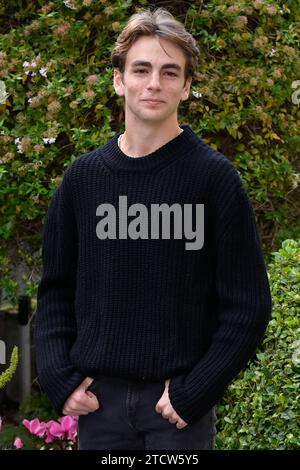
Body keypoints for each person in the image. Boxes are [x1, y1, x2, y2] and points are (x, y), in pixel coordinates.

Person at [34, 7, 272, 450]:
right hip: (98, 407)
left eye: (169, 72)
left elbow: (248, 306)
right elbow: (55, 291)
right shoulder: (83, 180)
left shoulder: (214, 179)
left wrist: (195, 391)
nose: (154, 83)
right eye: (141, 69)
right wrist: (58, 379)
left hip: (176, 414)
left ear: (186, 86)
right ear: (119, 79)